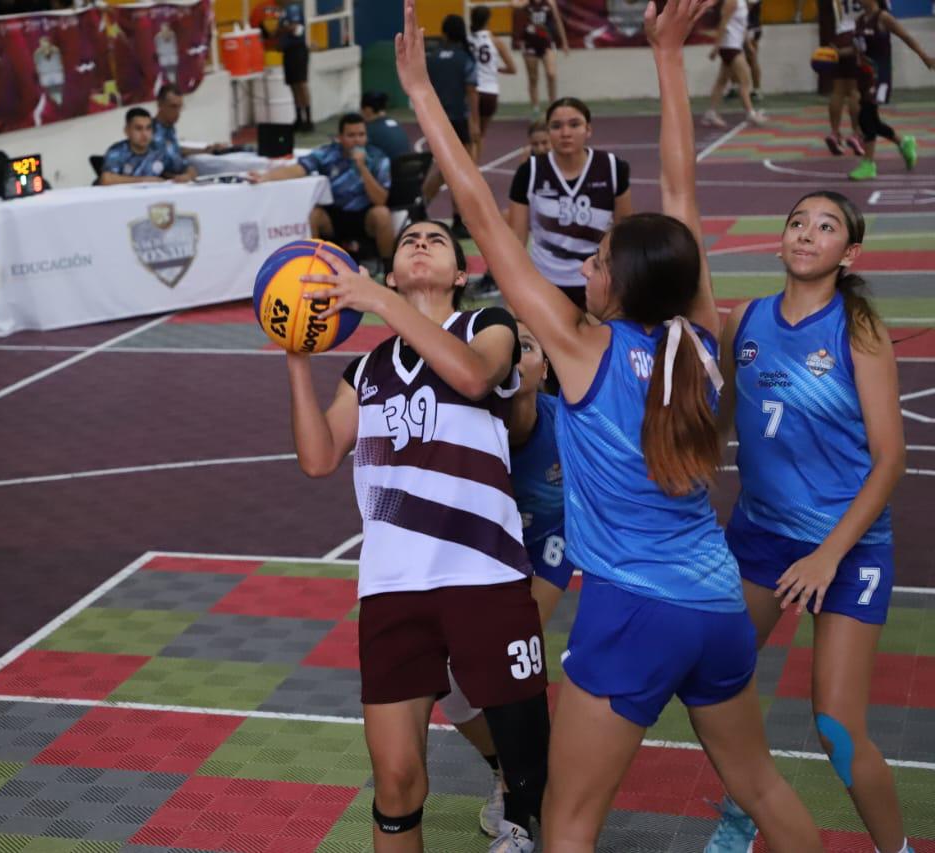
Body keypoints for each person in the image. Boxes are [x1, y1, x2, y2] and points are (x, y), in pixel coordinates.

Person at [396, 0, 826, 849]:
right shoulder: (699, 339)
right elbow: (682, 190)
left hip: (632, 609)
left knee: (567, 820)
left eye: (596, 260)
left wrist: (421, 93)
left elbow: (479, 212)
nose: (585, 267)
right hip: (716, 602)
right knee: (763, 786)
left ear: (620, 284)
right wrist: (668, 56)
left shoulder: (583, 347)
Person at [284, 219, 550, 853]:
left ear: (460, 273)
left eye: (436, 240)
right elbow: (318, 458)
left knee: (531, 771)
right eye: (408, 241)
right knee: (397, 782)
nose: (420, 244)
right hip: (392, 585)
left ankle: (524, 814)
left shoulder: (487, 327)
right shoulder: (365, 370)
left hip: (484, 575)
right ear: (393, 270)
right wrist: (294, 353)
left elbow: (474, 378)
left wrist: (379, 300)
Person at [702, 191, 911, 852]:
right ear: (781, 237)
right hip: (760, 536)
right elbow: (721, 421)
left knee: (836, 727)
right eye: (798, 222)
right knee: (716, 684)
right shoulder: (745, 320)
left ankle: (897, 849)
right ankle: (745, 810)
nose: (807, 233)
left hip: (848, 547)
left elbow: (891, 459)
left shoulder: (858, 331)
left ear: (849, 253)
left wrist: (827, 556)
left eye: (826, 227)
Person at [436, 323, 574, 839]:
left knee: (508, 662)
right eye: (504, 346)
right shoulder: (462, 427)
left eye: (528, 346)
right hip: (478, 554)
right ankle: (505, 766)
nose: (515, 355)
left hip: (546, 551)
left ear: (546, 368)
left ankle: (525, 797)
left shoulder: (572, 427)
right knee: (446, 677)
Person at [505, 97, 632, 311]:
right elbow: (516, 241)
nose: (565, 133)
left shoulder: (612, 168)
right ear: (548, 131)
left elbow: (625, 233)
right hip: (545, 282)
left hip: (597, 282)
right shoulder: (529, 172)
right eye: (556, 126)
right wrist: (513, 295)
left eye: (574, 124)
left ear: (588, 129)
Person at [252, 113, 394, 262]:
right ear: (340, 137)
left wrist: (362, 168)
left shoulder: (378, 158)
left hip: (364, 213)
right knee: (314, 215)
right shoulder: (327, 154)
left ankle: (388, 266)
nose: (357, 140)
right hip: (335, 213)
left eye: (361, 135)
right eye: (351, 135)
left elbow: (381, 200)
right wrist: (266, 177)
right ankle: (313, 264)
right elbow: (299, 169)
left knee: (382, 214)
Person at [846, 0, 933, 180]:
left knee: (865, 116)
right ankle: (904, 142)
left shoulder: (883, 17)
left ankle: (868, 164)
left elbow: (906, 37)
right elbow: (856, 50)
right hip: (864, 75)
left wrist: (924, 56)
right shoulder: (859, 20)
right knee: (873, 121)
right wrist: (835, 54)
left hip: (880, 75)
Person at [421, 15, 479, 239]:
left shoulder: (433, 58)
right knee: (461, 170)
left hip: (436, 119)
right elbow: (471, 92)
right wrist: (474, 121)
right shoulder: (465, 58)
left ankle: (419, 205)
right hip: (457, 119)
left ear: (444, 33)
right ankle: (458, 219)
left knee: (444, 168)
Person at [701, 0, 766, 128]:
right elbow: (723, 25)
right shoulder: (731, 2)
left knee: (722, 81)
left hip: (735, 45)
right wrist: (716, 47)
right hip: (729, 46)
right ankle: (750, 113)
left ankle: (711, 113)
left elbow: (742, 26)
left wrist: (748, 45)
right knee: (745, 80)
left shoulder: (742, 3)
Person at [469, 5, 517, 167]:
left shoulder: (467, 41)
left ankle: (469, 168)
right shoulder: (496, 42)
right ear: (488, 20)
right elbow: (512, 69)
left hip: (472, 91)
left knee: (470, 135)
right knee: (481, 135)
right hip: (490, 92)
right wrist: (495, 69)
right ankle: (476, 168)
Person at [100, 107, 196, 185]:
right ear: (127, 130)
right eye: (138, 128)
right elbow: (106, 179)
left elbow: (189, 168)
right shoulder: (117, 151)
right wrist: (144, 180)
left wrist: (188, 176)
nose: (144, 134)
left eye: (148, 128)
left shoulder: (160, 149)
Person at [819, 0, 865, 156]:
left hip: (839, 35)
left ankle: (834, 133)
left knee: (837, 91)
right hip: (858, 34)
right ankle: (856, 134)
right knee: (855, 90)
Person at [510, 0, 567, 115]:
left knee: (551, 74)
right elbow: (513, 4)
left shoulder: (550, 3)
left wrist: (564, 42)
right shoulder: (525, 2)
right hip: (530, 43)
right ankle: (535, 109)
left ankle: (552, 106)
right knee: (533, 78)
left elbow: (558, 21)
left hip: (547, 42)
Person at [151, 84, 228, 159]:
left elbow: (176, 149)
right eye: (173, 106)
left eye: (180, 107)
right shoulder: (150, 131)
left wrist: (205, 150)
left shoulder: (169, 127)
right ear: (160, 104)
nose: (177, 112)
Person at [279, 1, 313, 131]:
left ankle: (308, 118)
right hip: (287, 50)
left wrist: (283, 29)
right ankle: (298, 117)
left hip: (297, 50)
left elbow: (296, 29)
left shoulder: (293, 9)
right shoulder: (281, 12)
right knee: (293, 84)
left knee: (301, 84)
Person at [360, 90, 412, 162]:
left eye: (361, 109)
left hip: (391, 167)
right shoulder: (395, 123)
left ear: (368, 110)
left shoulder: (369, 129)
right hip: (408, 165)